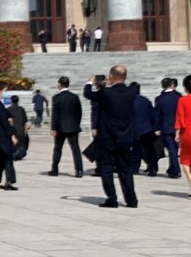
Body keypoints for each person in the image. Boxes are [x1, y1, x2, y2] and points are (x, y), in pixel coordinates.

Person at [83, 66, 139, 208]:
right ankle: (131, 200)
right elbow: (134, 86)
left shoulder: (106, 93)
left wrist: (90, 82)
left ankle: (112, 199)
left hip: (108, 138)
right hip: (125, 138)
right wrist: (114, 81)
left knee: (106, 168)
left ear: (111, 76)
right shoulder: (132, 91)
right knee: (125, 170)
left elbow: (87, 93)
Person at [48, 76, 84, 177]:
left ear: (59, 84)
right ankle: (79, 170)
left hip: (60, 127)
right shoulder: (74, 97)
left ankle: (55, 169)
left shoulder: (56, 97)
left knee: (58, 149)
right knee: (75, 149)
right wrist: (76, 124)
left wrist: (53, 128)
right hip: (73, 127)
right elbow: (79, 112)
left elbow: (55, 114)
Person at [0, 82, 18, 190]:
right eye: (5, 90)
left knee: (1, 158)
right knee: (7, 157)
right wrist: (12, 135)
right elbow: (3, 120)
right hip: (1, 134)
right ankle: (9, 181)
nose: (6, 93)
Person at [155, 77, 182, 180]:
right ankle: (172, 169)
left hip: (166, 127)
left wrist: (157, 128)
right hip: (178, 126)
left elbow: (157, 115)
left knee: (171, 150)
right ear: (171, 85)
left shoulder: (160, 98)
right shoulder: (179, 96)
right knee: (174, 149)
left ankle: (175, 170)